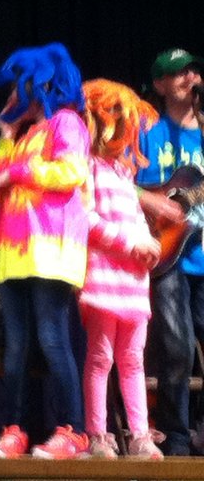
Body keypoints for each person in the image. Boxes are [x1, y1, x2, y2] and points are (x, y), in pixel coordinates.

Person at [0, 42, 90, 460]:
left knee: (52, 339)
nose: (13, 94)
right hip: (13, 253)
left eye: (19, 86)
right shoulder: (24, 136)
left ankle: (73, 431)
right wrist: (5, 137)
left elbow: (71, 171)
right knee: (15, 348)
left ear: (41, 84)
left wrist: (18, 171)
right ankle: (15, 430)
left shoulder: (67, 123)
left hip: (51, 250)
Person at [79, 79, 164, 460]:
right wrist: (131, 244)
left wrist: (149, 245)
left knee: (133, 360)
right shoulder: (87, 168)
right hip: (102, 280)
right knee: (101, 358)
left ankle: (140, 436)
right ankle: (97, 435)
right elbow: (87, 220)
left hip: (133, 282)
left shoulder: (124, 174)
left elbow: (137, 221)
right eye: (113, 116)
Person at [136, 48, 204, 456]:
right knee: (177, 348)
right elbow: (118, 181)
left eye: (193, 71)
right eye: (178, 73)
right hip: (167, 255)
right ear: (160, 84)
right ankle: (176, 437)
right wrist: (156, 202)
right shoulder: (148, 132)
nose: (189, 77)